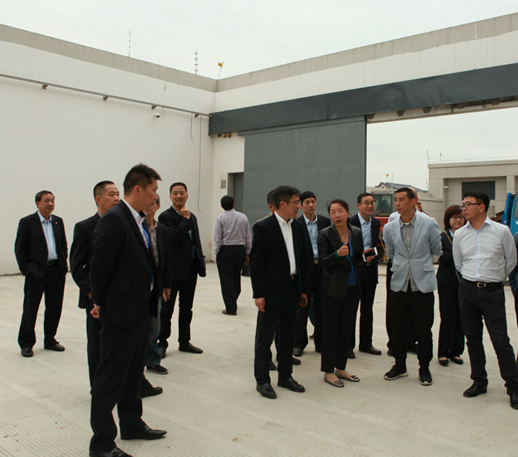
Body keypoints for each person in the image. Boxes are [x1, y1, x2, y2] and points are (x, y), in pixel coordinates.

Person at [89, 164, 166, 457]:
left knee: (133, 374)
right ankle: (102, 443)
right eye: (153, 190)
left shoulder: (137, 219)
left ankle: (132, 423)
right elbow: (99, 268)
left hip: (138, 311)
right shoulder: (115, 219)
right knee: (110, 378)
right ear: (138, 189)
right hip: (120, 314)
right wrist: (100, 303)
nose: (155, 196)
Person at [453, 191, 518, 409]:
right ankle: (479, 381)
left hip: (492, 292)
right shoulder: (460, 234)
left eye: (468, 204)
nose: (463, 208)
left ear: (481, 207)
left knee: (500, 341)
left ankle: (514, 386)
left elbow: (511, 260)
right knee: (472, 339)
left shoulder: (501, 231)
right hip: (468, 290)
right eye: (463, 204)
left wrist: (495, 278)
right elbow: (459, 264)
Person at [250, 185, 309, 399]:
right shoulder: (263, 227)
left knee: (287, 337)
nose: (298, 206)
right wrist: (259, 294)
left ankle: (285, 376)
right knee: (264, 338)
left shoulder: (299, 227)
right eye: (296, 202)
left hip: (292, 290)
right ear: (282, 204)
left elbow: (303, 259)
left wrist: (303, 290)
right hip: (271, 292)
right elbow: (256, 264)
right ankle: (262, 380)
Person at [383, 187, 442, 386]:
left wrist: (421, 266)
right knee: (398, 328)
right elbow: (391, 252)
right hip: (399, 283)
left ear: (413, 201)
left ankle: (424, 368)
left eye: (401, 199)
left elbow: (436, 250)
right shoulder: (390, 227)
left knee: (424, 329)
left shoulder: (429, 223)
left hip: (422, 284)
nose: (397, 203)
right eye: (396, 200)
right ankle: (399, 365)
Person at [70, 181, 120, 387]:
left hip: (119, 296)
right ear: (98, 199)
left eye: (118, 194)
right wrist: (92, 292)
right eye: (111, 194)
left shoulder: (123, 225)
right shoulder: (84, 227)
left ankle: (118, 385)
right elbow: (76, 266)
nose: (117, 198)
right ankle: (98, 388)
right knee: (97, 345)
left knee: (118, 344)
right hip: (96, 298)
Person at [15, 190, 68, 358]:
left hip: (56, 271)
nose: (50, 204)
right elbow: (20, 249)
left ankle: (50, 339)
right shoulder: (27, 222)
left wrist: (62, 264)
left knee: (54, 308)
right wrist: (27, 270)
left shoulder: (58, 221)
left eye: (52, 200)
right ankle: (26, 343)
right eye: (46, 201)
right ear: (38, 203)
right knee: (30, 309)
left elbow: (63, 246)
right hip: (36, 272)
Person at [318, 199, 363, 388]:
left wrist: (366, 256)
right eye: (333, 212)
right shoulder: (325, 234)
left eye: (340, 211)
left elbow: (358, 257)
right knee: (330, 330)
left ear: (347, 212)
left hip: (352, 288)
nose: (337, 215)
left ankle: (341, 367)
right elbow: (322, 262)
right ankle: (328, 371)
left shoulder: (356, 232)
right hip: (332, 288)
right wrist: (337, 254)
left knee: (346, 329)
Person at [158, 182, 205, 356]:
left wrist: (200, 263)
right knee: (166, 310)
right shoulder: (165, 217)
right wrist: (185, 220)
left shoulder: (192, 216)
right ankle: (161, 342)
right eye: (175, 193)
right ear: (170, 196)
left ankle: (184, 341)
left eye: (182, 193)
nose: (179, 196)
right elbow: (174, 237)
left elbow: (195, 241)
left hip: (191, 269)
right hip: (173, 271)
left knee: (186, 308)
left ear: (187, 195)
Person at [293, 191, 330, 357]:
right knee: (302, 307)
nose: (311, 205)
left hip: (322, 268)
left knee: (322, 307)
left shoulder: (325, 222)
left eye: (313, 202)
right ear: (301, 205)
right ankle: (299, 343)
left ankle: (321, 343)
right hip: (305, 269)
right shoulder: (296, 224)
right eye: (307, 202)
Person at [349, 192, 382, 357]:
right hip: (354, 270)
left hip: (370, 269)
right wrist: (360, 254)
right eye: (366, 203)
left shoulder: (375, 223)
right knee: (351, 308)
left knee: (367, 308)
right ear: (358, 205)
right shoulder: (350, 222)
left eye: (372, 203)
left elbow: (375, 244)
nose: (370, 206)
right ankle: (348, 345)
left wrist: (373, 254)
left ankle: (366, 343)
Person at [144, 195, 171, 376]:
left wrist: (167, 284)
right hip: (139, 285)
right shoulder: (134, 227)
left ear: (158, 206)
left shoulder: (162, 230)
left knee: (154, 326)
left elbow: (166, 258)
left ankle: (153, 361)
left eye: (152, 203)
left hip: (157, 284)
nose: (148, 206)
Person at [436, 205, 465, 367]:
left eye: (460, 217)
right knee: (448, 317)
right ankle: (443, 352)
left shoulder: (469, 235)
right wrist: (460, 255)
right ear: (448, 219)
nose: (458, 220)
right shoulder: (442, 237)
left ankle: (456, 351)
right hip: (447, 282)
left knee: (461, 317)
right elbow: (442, 256)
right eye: (454, 217)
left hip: (464, 283)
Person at [214, 195, 252, 316]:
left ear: (222, 206)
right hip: (240, 249)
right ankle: (233, 299)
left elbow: (218, 237)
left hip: (225, 250)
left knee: (226, 279)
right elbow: (248, 236)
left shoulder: (220, 218)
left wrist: (217, 251)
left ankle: (230, 307)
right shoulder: (243, 217)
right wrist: (248, 251)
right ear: (234, 204)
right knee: (236, 277)